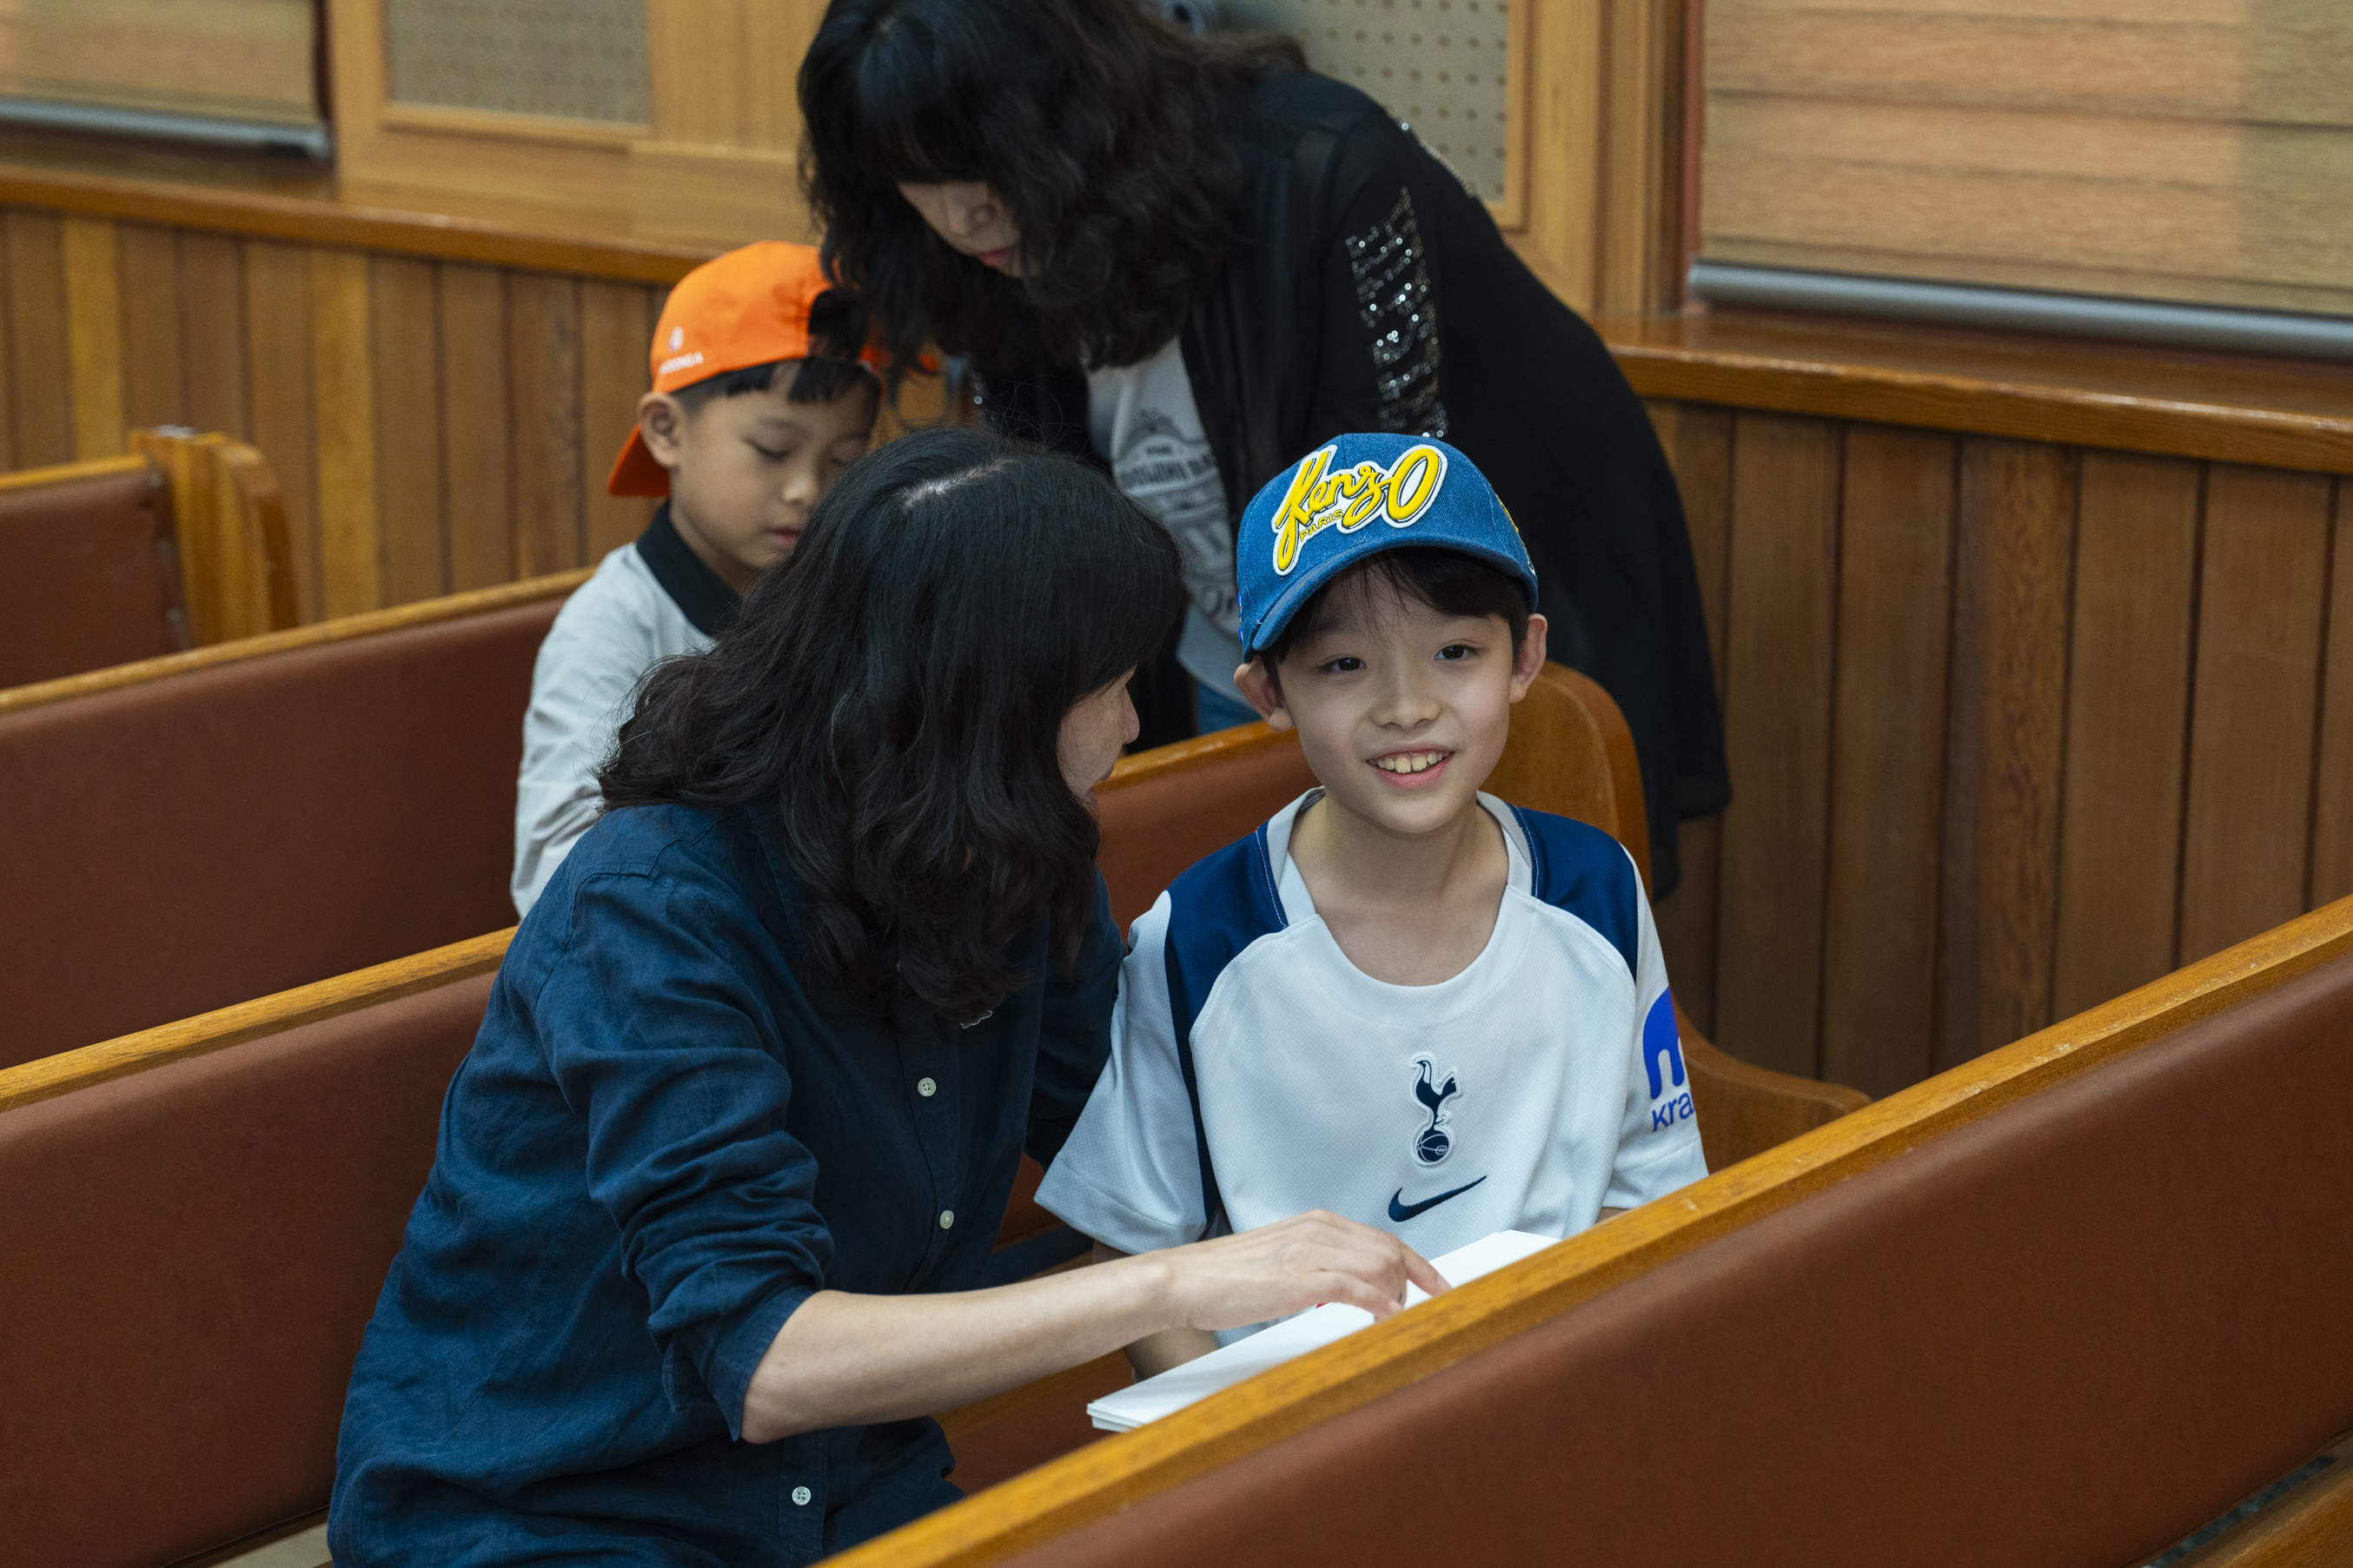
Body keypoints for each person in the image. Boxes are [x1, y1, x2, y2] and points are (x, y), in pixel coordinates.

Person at [330, 427, 1445, 1567]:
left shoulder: (1012, 853)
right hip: (553, 1508)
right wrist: (1171, 1280)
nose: (1129, 723)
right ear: (991, 704)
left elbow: (1140, 1146)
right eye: (1110, 686)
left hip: (848, 1485)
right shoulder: (654, 903)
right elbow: (764, 1360)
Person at [797, 0, 1729, 893]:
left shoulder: (1325, 164)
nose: (961, 216)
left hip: (1444, 635)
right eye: (914, 178)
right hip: (1238, 651)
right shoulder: (976, 260)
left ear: (1072, 107)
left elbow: (1382, 523)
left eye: (982, 164)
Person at [1036, 433, 1707, 1377]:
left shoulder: (1594, 890)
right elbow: (1134, 1248)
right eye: (1344, 665)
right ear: (1266, 690)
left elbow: (1654, 1190)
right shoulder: (1201, 936)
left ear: (1525, 656)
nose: (1405, 705)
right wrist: (1237, 1438)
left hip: (1548, 1391)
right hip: (1292, 1425)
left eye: (1454, 651)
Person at [511, 241, 885, 916]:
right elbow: (557, 875)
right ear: (666, 430)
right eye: (772, 450)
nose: (807, 489)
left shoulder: (856, 593)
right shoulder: (611, 626)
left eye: (844, 460)